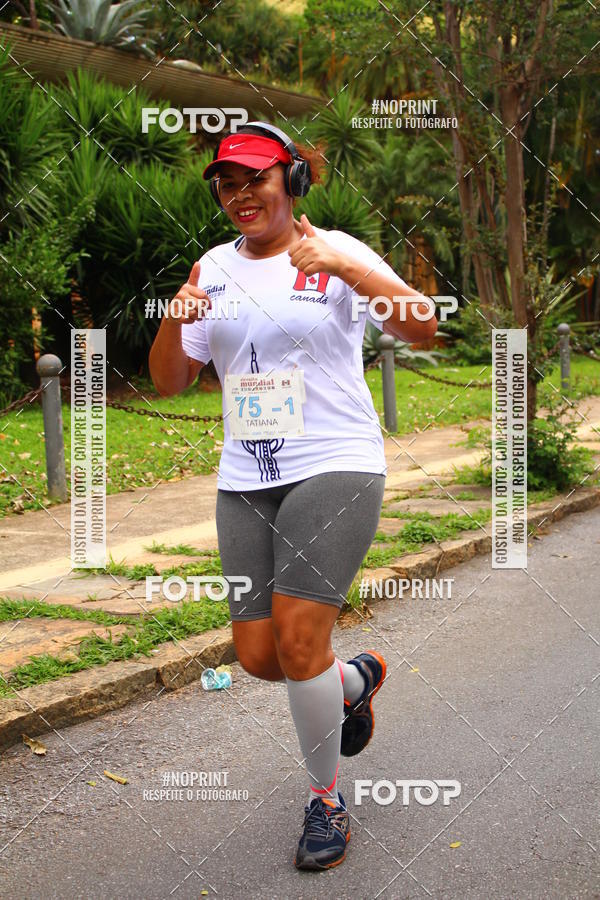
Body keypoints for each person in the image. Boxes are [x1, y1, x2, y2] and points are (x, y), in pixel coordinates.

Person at [148, 122, 437, 871]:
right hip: (247, 477)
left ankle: (326, 802)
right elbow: (171, 382)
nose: (241, 195)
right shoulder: (211, 268)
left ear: (294, 181)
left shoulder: (335, 251)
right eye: (227, 183)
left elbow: (428, 331)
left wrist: (349, 268)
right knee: (261, 656)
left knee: (300, 639)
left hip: (335, 464)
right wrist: (177, 320)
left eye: (257, 179)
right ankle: (354, 681)